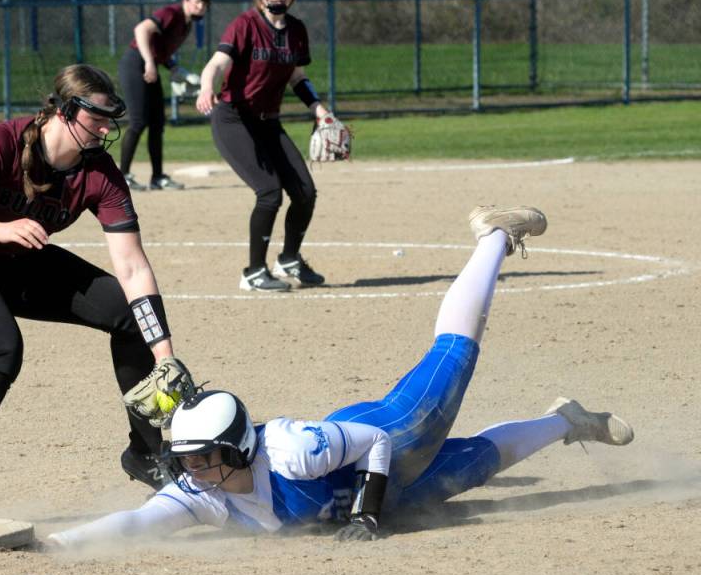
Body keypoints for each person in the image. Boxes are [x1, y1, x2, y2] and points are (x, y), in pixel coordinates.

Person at [44, 206, 635, 549]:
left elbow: (376, 444)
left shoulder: (293, 450)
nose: (191, 472)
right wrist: (57, 545)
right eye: (189, 459)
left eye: (202, 458)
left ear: (240, 450)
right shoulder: (209, 497)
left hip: (384, 440)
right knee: (482, 461)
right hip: (382, 494)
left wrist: (368, 513)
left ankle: (495, 236)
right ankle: (567, 420)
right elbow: (141, 521)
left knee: (452, 358)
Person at [0, 64, 192, 518]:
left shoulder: (99, 172)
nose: (105, 129)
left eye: (109, 119)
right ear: (62, 111)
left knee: (129, 316)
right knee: (1, 349)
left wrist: (164, 353)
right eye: (96, 117)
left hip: (22, 260)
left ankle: (144, 454)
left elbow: (133, 265)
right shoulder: (2, 141)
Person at [196, 0, 337, 292]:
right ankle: (253, 272)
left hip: (268, 122)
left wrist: (319, 109)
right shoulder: (245, 24)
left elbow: (296, 77)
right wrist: (206, 87)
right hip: (233, 118)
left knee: (304, 191)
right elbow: (217, 63)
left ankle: (289, 258)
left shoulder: (296, 30)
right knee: (269, 192)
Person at [118, 0, 210, 192]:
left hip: (149, 66)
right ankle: (122, 176)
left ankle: (157, 177)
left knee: (157, 123)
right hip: (135, 64)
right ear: (186, 0)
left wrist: (175, 68)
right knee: (138, 121)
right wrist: (150, 63)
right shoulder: (172, 13)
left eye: (204, 3)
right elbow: (141, 30)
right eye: (197, 1)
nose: (201, 5)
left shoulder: (186, 25)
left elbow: (159, 48)